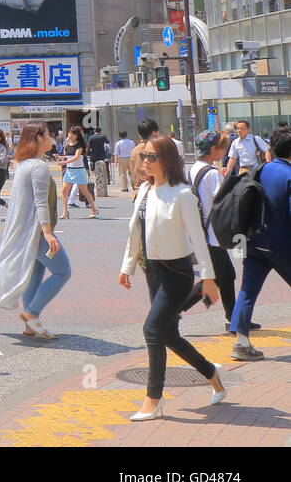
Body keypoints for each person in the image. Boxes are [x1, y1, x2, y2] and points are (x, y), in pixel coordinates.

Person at [118, 135, 226, 420]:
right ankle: (211, 374)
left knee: (152, 331)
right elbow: (136, 231)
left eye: (152, 157)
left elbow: (198, 240)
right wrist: (127, 266)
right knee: (168, 335)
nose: (145, 162)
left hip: (177, 273)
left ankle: (153, 398)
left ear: (168, 160)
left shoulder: (182, 194)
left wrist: (209, 278)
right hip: (151, 270)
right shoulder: (144, 190)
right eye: (144, 156)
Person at [0, 123, 69, 339]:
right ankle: (31, 313)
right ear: (38, 138)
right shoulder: (38, 166)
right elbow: (40, 202)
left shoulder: (24, 164)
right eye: (48, 134)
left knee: (35, 275)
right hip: (37, 231)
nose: (52, 138)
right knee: (63, 271)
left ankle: (31, 324)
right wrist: (47, 232)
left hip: (28, 230)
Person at [228, 127, 291, 361]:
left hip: (253, 242)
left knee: (247, 290)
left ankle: (241, 343)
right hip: (282, 245)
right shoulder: (289, 175)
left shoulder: (258, 170)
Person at [180, 132, 242, 330]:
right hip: (213, 234)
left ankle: (233, 318)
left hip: (201, 231)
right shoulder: (212, 173)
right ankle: (170, 313)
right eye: (222, 148)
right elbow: (221, 200)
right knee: (213, 279)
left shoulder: (194, 169)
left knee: (224, 276)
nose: (224, 151)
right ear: (213, 149)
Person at [56, 127, 99, 218]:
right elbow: (67, 156)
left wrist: (64, 162)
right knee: (64, 191)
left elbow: (76, 157)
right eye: (69, 133)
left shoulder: (80, 145)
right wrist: (60, 157)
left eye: (71, 134)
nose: (69, 135)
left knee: (85, 191)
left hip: (79, 170)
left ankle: (94, 209)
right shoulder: (67, 145)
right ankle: (65, 211)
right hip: (69, 170)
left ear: (76, 135)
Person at [88, 127, 111, 198]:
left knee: (94, 167)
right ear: (100, 131)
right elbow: (108, 142)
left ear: (94, 131)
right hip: (101, 154)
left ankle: (96, 177)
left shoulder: (91, 137)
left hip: (93, 154)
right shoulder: (103, 136)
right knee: (102, 166)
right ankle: (103, 179)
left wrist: (88, 153)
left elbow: (89, 146)